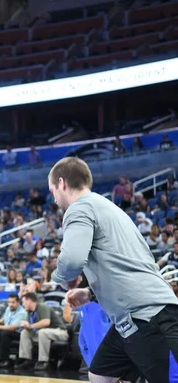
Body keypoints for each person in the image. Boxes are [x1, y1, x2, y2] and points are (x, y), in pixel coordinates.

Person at [48, 157, 178, 383]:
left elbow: (71, 262)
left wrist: (58, 278)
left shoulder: (78, 208)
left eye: (52, 190)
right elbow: (126, 264)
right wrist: (90, 293)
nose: (53, 197)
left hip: (148, 315)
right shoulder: (109, 209)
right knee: (100, 374)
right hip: (132, 317)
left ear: (62, 183)